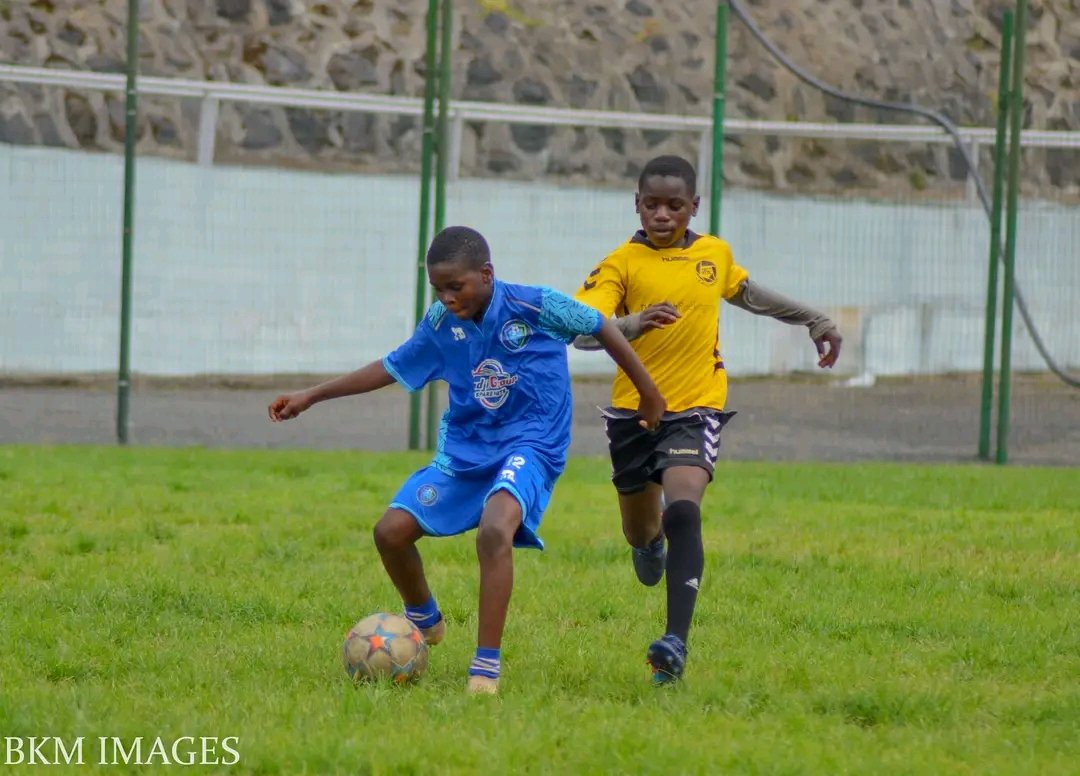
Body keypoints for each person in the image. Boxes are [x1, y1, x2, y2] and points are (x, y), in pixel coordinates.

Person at [269, 225, 666, 695]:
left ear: (487, 274)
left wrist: (649, 393)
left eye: (455, 286)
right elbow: (390, 366)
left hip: (532, 444)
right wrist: (312, 395)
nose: (446, 297)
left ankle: (485, 667)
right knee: (389, 532)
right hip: (466, 450)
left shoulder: (534, 305)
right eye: (438, 288)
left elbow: (599, 325)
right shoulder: (440, 324)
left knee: (495, 527)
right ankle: (424, 618)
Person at [572, 155, 842, 684]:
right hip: (633, 414)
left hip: (696, 406)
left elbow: (751, 295)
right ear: (637, 204)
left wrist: (816, 319)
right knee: (642, 530)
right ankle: (648, 546)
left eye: (675, 205)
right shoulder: (620, 263)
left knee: (685, 509)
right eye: (652, 204)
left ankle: (674, 644)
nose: (663, 215)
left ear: (694, 207)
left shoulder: (713, 254)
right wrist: (634, 323)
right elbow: (582, 331)